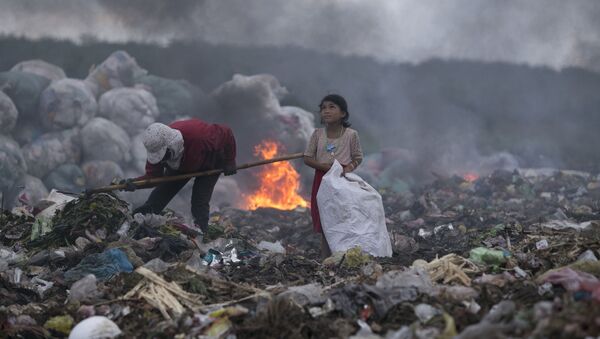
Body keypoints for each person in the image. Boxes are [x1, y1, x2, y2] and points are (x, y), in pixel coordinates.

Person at [122, 118, 237, 232]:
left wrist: (230, 161)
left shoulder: (199, 136)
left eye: (164, 156)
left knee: (199, 202)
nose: (162, 160)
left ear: (171, 145)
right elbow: (153, 178)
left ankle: (201, 232)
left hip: (211, 161)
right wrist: (134, 183)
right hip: (183, 165)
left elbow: (227, 132)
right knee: (159, 196)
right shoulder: (157, 150)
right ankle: (137, 223)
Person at [303, 94, 363, 258]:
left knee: (341, 214)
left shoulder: (351, 135)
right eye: (323, 108)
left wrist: (348, 168)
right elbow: (307, 158)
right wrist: (325, 167)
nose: (326, 111)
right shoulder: (317, 134)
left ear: (343, 113)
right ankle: (325, 256)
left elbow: (358, 157)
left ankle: (342, 254)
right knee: (324, 217)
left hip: (342, 180)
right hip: (322, 180)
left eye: (331, 107)